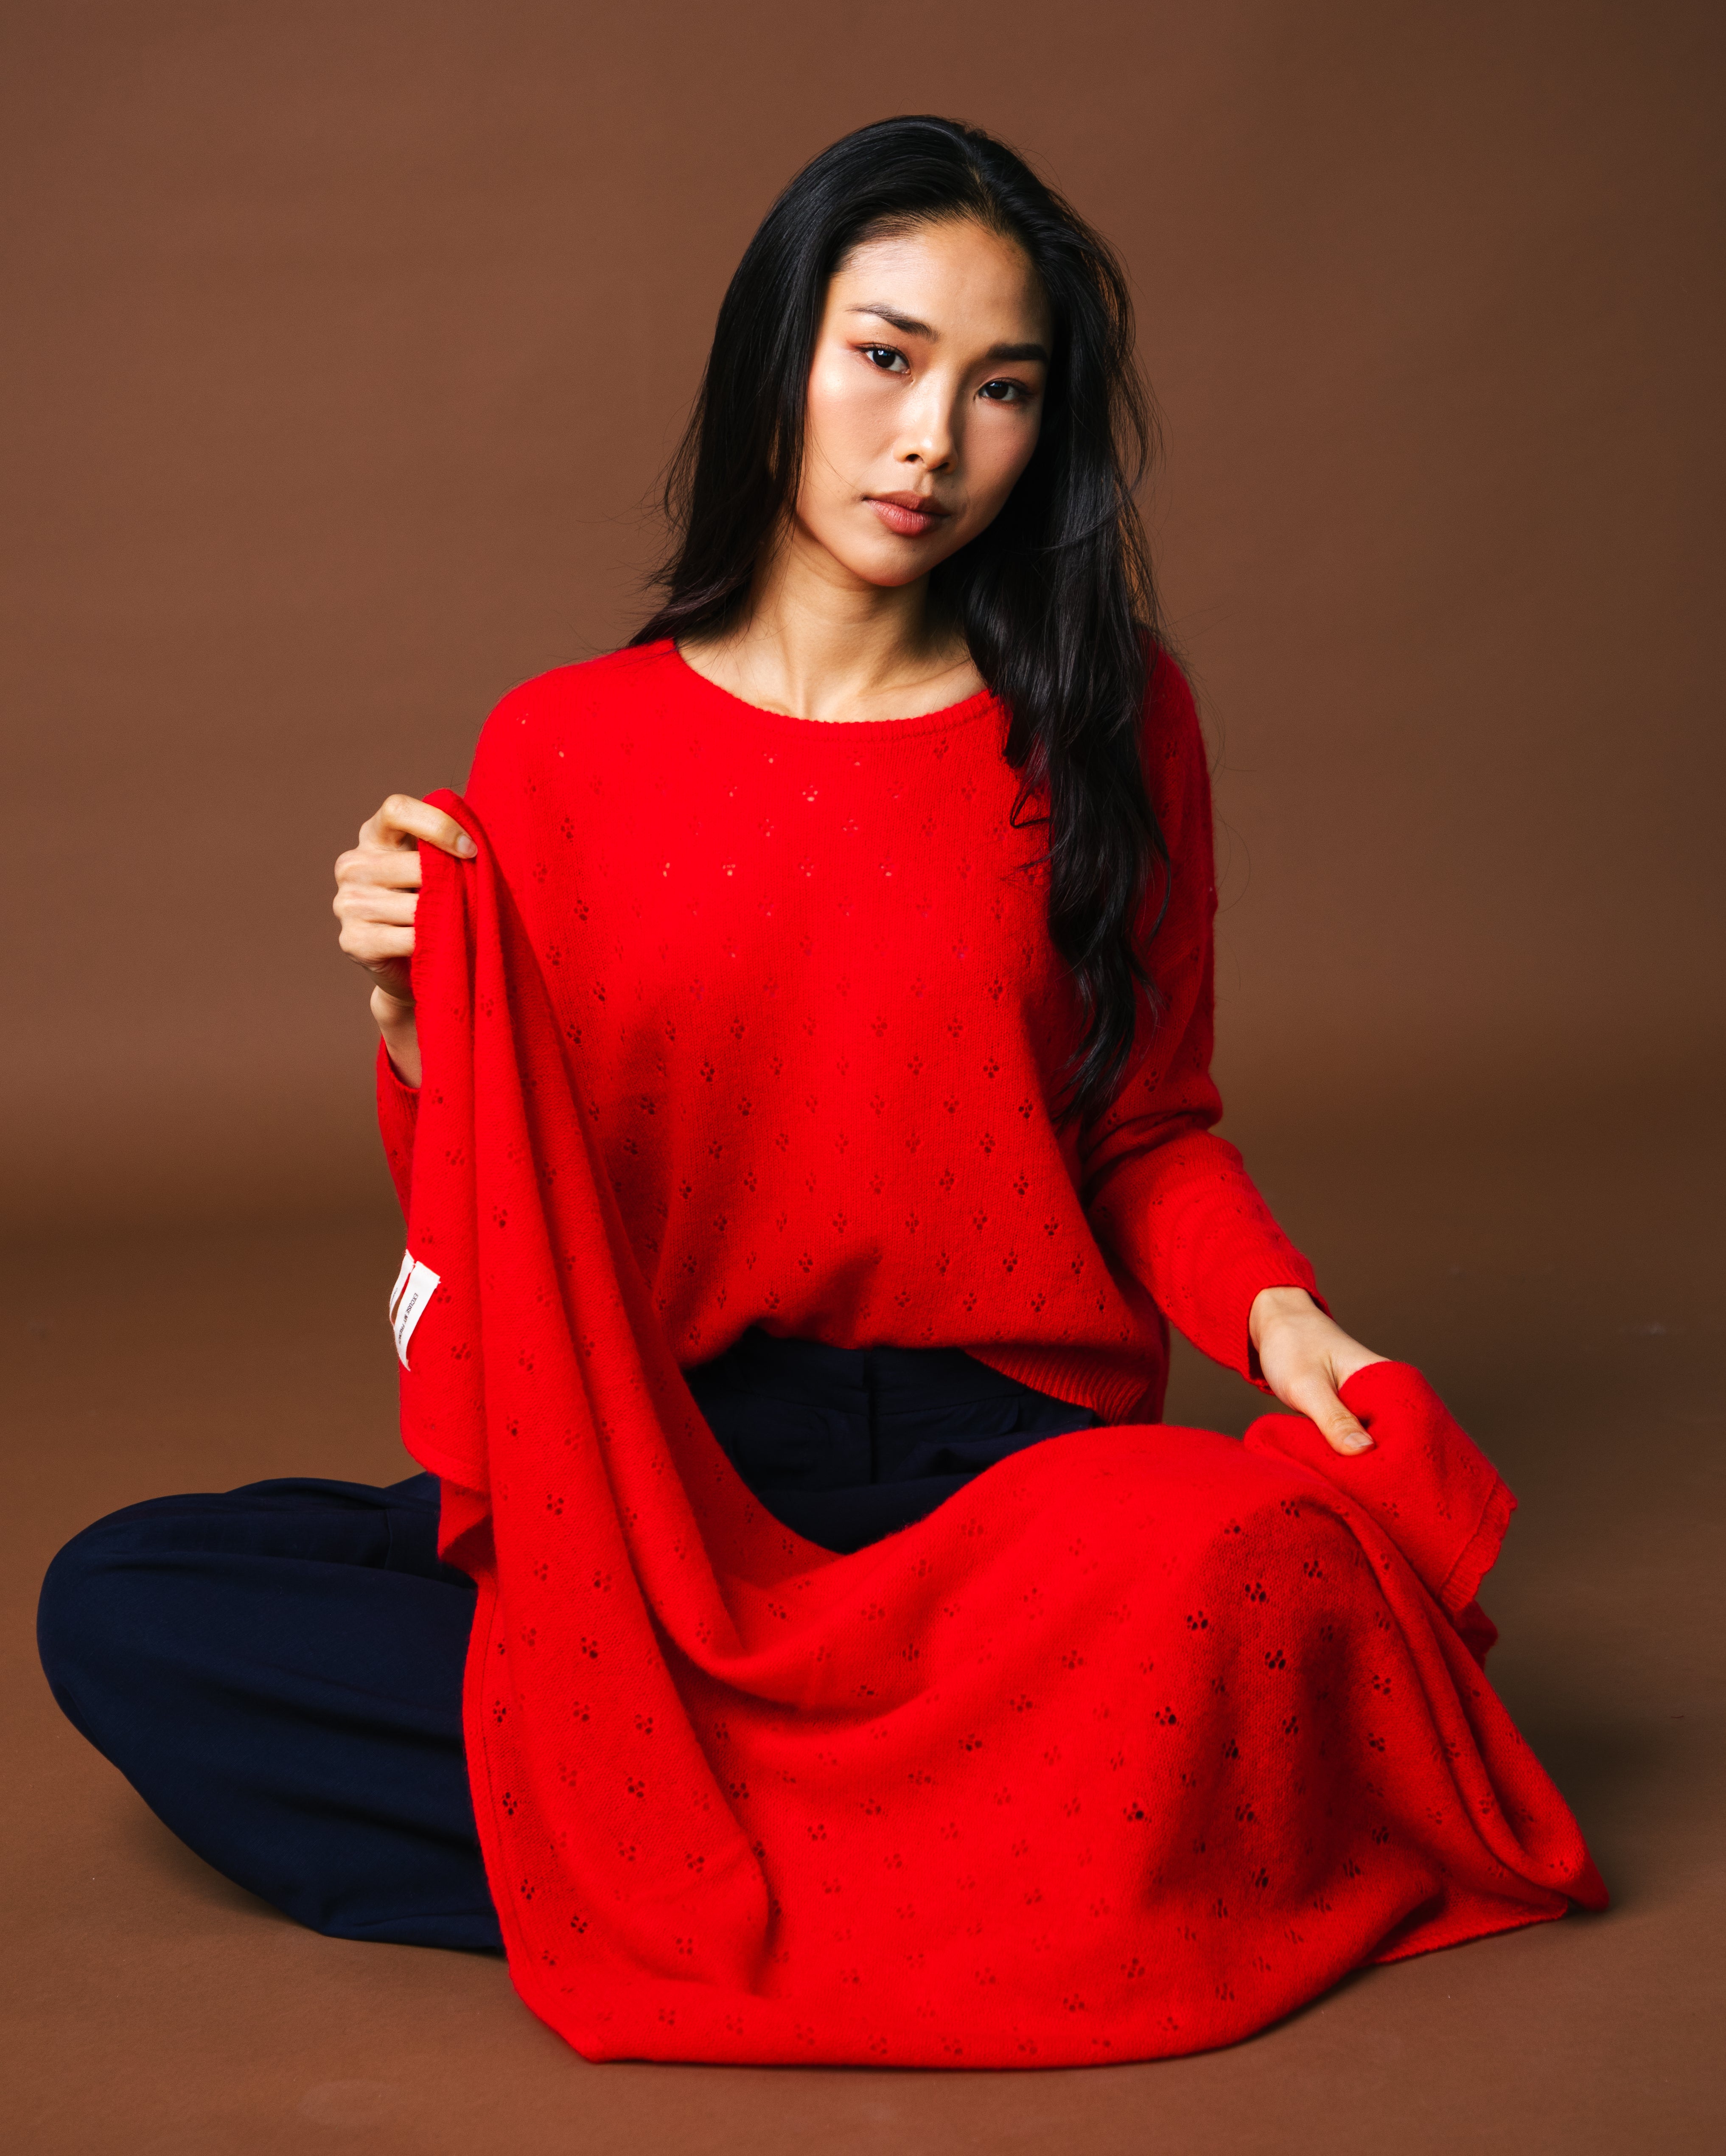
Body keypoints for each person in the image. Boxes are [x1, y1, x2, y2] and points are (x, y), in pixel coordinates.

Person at [38, 116, 1601, 2058]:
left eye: (1001, 388)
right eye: (885, 356)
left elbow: (1142, 1127)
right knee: (128, 1602)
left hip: (1004, 1486)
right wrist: (424, 1044)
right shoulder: (559, 754)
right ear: (776, 352)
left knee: (1266, 1577)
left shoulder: (1110, 722)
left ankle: (702, 1839)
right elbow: (524, 1226)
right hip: (684, 1475)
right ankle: (902, 1847)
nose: (930, 439)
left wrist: (1283, 1320)